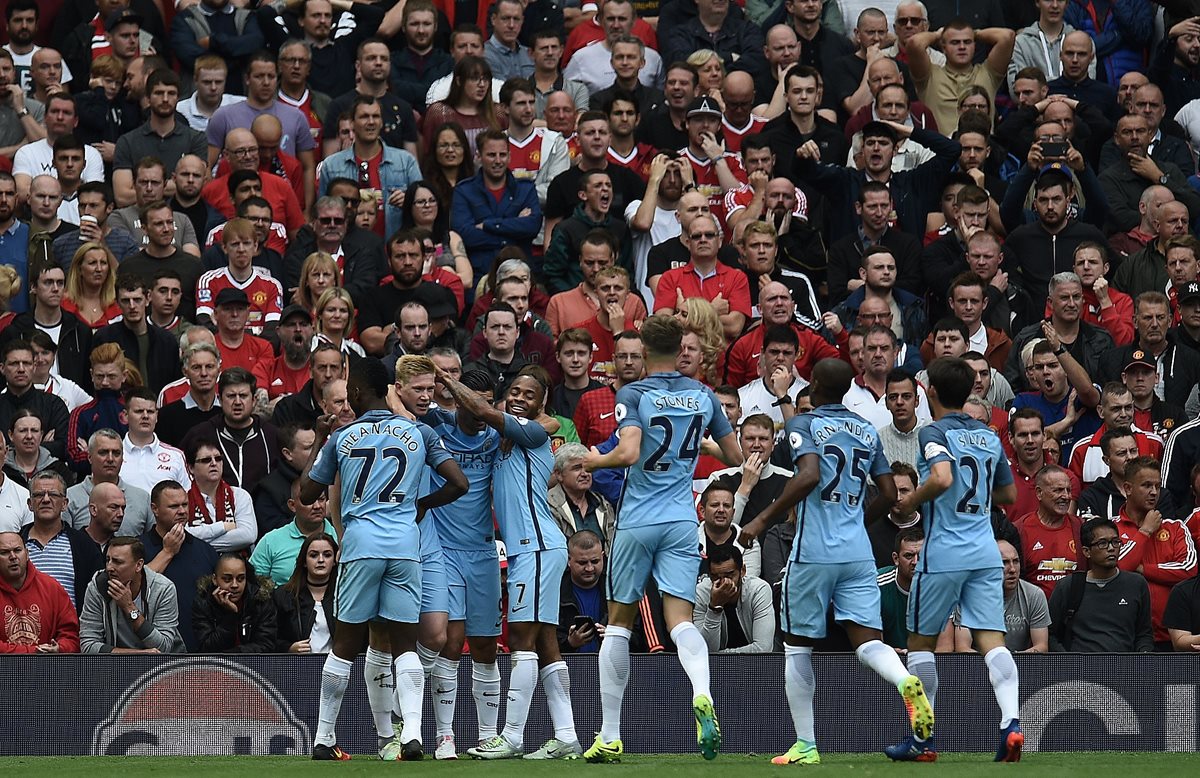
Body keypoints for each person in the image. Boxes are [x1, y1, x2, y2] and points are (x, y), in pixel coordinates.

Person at [736, 357, 930, 764]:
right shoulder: (865, 429)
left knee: (797, 648)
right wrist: (858, 521)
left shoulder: (803, 425)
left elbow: (807, 476)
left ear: (818, 385)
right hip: (857, 551)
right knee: (868, 642)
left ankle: (805, 745)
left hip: (813, 552)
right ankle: (906, 680)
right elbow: (891, 495)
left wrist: (761, 518)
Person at [582, 314, 742, 762]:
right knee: (680, 621)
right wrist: (704, 448)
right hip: (679, 521)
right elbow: (734, 457)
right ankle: (702, 692)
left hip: (637, 519)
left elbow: (629, 451)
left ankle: (610, 734)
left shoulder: (633, 393)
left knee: (618, 623)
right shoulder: (703, 394)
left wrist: (589, 462)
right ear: (680, 349)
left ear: (645, 351)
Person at [298, 357, 467, 761]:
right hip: (405, 548)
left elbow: (306, 494)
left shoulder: (343, 437)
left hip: (360, 547)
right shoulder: (418, 432)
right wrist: (420, 505)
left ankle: (323, 738)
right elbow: (458, 482)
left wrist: (321, 440)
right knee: (406, 644)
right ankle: (412, 733)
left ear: (355, 393)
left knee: (345, 644)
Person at [434, 364, 580, 760]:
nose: (519, 398)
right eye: (514, 391)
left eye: (528, 394)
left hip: (535, 546)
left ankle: (512, 736)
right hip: (532, 549)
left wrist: (447, 380)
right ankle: (566, 735)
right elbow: (476, 417)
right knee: (548, 644)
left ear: (542, 403)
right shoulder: (505, 437)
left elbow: (481, 412)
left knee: (521, 641)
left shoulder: (531, 432)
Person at [885, 356, 1021, 762]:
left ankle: (922, 741)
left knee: (920, 643)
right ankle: (1011, 724)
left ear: (930, 393)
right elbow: (1009, 496)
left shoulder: (934, 431)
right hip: (984, 550)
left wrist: (913, 498)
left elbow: (942, 478)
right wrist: (975, 500)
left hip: (943, 551)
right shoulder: (988, 436)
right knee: (992, 641)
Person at [1113, 457, 1198, 650]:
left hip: (1170, 635)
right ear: (1127, 488)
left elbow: (1189, 569)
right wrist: (1145, 532)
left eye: (1157, 486)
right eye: (1146, 485)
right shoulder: (1111, 528)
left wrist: (1143, 569)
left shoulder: (1175, 527)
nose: (1153, 492)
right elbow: (1118, 569)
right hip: (1124, 636)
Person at [1048, 517, 1154, 653]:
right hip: (1079, 669)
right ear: (1086, 551)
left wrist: (1143, 657)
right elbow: (1050, 634)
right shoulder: (1069, 586)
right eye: (1102, 543)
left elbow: (1144, 634)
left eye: (1115, 542)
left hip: (1125, 669)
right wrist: (1069, 663)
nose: (1111, 548)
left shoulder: (1136, 584)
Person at [79, 535, 184, 654]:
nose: (109, 568)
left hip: (161, 667)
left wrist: (129, 607)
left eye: (117, 562)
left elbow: (164, 648)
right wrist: (136, 655)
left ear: (138, 565)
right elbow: (88, 646)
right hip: (113, 666)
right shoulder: (98, 587)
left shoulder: (163, 589)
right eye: (108, 560)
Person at [0, 530, 79, 653]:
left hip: (48, 669)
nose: (13, 557)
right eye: (4, 552)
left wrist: (60, 648)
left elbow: (71, 636)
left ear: (27, 554)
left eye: (17, 550)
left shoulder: (52, 588)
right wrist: (33, 652)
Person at [1012, 466, 1086, 599]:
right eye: (1058, 490)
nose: (1066, 496)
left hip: (1074, 614)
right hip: (1033, 614)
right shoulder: (1019, 530)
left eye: (1068, 490)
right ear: (1039, 493)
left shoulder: (1081, 528)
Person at [693, 543, 774, 654]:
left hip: (755, 666)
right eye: (715, 577)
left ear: (743, 571)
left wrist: (721, 655)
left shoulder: (758, 590)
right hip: (714, 669)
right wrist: (714, 608)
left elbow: (763, 649)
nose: (723, 582)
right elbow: (704, 649)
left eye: (729, 575)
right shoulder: (701, 592)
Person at [250, 479, 333, 586]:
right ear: (292, 505)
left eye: (321, 499)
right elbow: (253, 585)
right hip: (281, 601)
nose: (317, 506)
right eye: (309, 501)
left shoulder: (341, 538)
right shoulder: (271, 541)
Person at [191, 554, 278, 653]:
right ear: (215, 579)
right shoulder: (203, 602)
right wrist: (230, 616)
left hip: (254, 665)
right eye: (227, 579)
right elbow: (207, 648)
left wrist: (233, 654)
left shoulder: (260, 599)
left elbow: (266, 644)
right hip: (214, 666)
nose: (235, 585)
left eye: (241, 579)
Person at [272, 531, 338, 653]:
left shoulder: (346, 595)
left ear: (335, 561)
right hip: (297, 668)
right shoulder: (283, 595)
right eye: (314, 555)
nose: (321, 560)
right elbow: (269, 638)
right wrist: (288, 648)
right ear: (304, 561)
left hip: (336, 667)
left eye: (327, 555)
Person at [549, 442, 616, 542]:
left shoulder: (603, 504)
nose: (585, 474)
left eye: (587, 467)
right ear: (559, 474)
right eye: (577, 468)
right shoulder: (548, 505)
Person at [878, 527, 924, 650]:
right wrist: (886, 653)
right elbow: (870, 641)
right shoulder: (876, 585)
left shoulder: (941, 586)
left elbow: (945, 647)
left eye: (921, 556)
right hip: (885, 661)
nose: (915, 562)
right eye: (909, 556)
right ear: (896, 559)